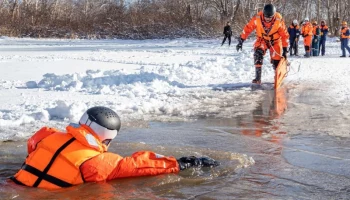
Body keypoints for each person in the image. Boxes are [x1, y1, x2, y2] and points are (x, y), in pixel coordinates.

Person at [10, 106, 219, 189]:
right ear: (107, 138)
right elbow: (140, 165)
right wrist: (183, 163)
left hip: (14, 187)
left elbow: (33, 146)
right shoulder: (100, 163)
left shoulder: (47, 135)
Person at [236, 4, 289, 84]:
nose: (267, 19)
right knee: (257, 53)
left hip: (275, 41)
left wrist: (285, 50)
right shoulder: (257, 18)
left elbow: (285, 35)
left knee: (276, 60)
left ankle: (277, 76)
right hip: (262, 40)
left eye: (270, 17)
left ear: (273, 16)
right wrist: (241, 40)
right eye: (266, 17)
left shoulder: (279, 20)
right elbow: (248, 28)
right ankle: (258, 78)